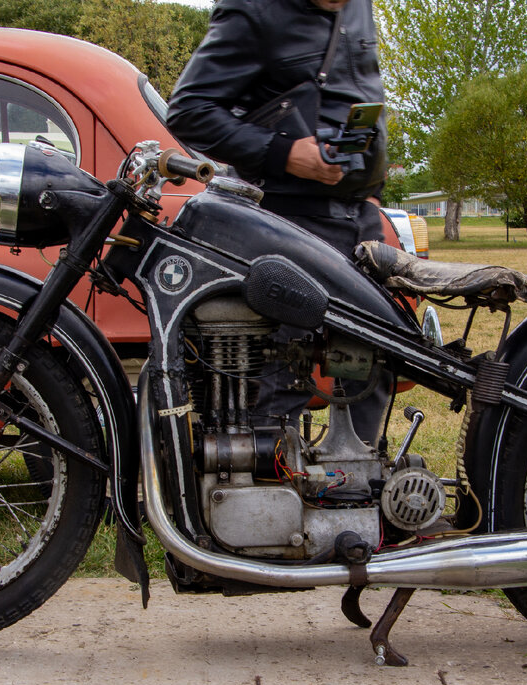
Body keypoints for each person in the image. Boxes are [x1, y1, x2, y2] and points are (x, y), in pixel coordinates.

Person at [167, 0, 392, 444]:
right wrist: (284, 153)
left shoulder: (355, 6)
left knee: (366, 366)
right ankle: (268, 500)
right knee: (283, 375)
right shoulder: (253, 10)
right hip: (288, 227)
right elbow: (190, 111)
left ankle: (358, 491)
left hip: (359, 220)